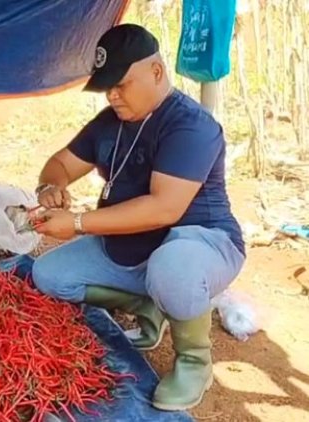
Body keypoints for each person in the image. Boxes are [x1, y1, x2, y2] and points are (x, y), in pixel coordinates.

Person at [30, 24, 245, 411]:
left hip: (200, 243)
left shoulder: (190, 125)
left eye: (121, 84)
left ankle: (195, 361)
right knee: (49, 276)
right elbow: (60, 163)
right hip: (128, 245)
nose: (112, 95)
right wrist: (51, 188)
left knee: (172, 267)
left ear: (157, 72)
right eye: (106, 86)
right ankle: (151, 306)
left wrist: (77, 223)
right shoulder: (110, 122)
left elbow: (165, 208)